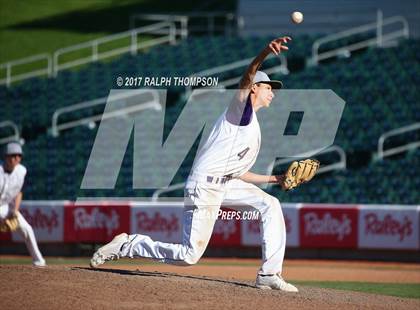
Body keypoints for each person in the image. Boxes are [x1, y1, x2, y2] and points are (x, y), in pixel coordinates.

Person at [91, 37, 298, 292]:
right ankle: (130, 244)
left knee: (270, 204)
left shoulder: (251, 124)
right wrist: (264, 52)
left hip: (226, 184)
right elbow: (246, 78)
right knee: (189, 256)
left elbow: (239, 172)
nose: (272, 92)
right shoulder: (239, 112)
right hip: (205, 187)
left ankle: (269, 274)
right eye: (268, 87)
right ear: (254, 89)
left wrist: (275, 179)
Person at [0, 142, 46, 267]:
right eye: (13, 155)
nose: (16, 158)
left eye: (19, 155)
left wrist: (15, 210)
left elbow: (19, 192)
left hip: (7, 205)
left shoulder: (21, 171)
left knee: (27, 229)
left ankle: (39, 261)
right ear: (6, 156)